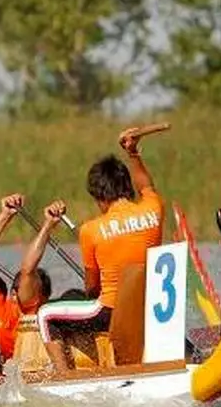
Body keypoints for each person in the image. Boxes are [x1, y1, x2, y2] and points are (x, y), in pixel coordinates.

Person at [35, 126, 165, 371]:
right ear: (127, 185)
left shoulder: (91, 230)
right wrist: (133, 153)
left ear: (99, 197)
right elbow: (147, 186)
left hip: (111, 312)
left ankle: (65, 381)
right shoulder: (154, 209)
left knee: (45, 315)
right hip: (150, 306)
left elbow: (92, 287)